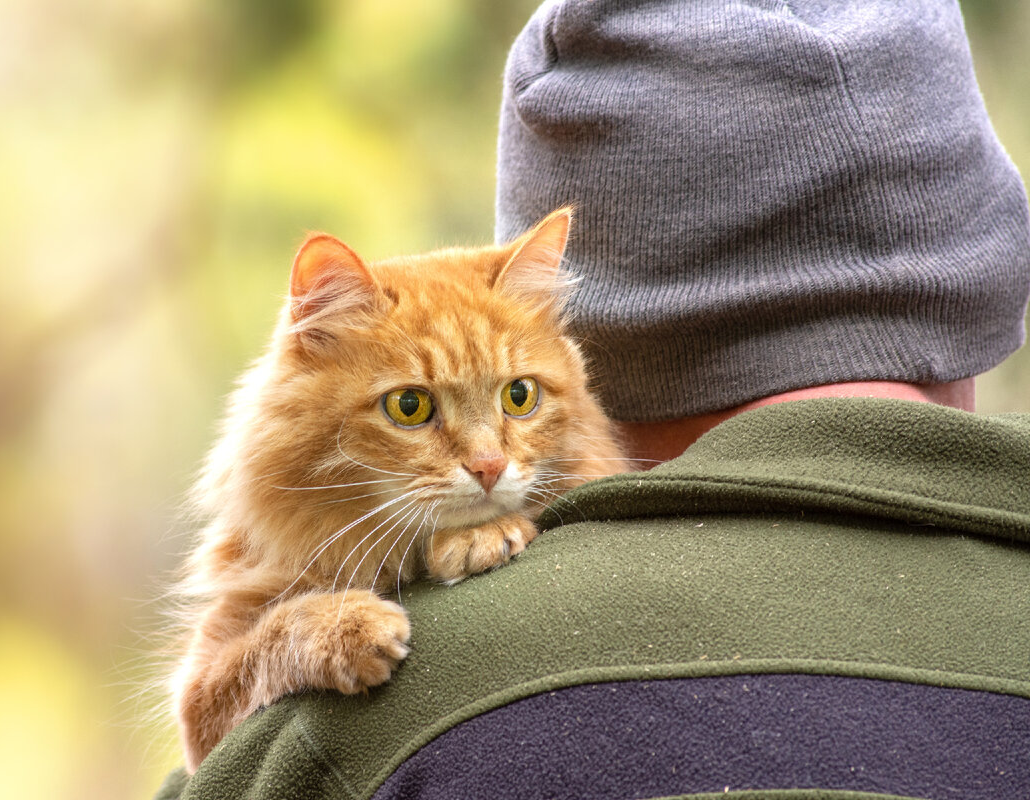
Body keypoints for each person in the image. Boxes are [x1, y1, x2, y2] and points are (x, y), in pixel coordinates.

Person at [155, 1, 1030, 797]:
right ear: (983, 301)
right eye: (416, 408)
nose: (487, 457)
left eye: (519, 395)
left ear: (600, 350)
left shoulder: (368, 734)